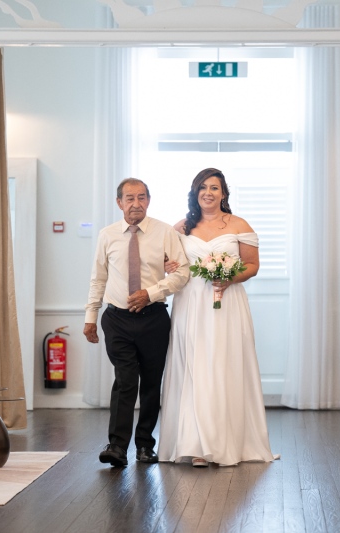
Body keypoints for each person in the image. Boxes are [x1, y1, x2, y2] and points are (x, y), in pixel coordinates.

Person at [158, 168, 274, 467]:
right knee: (193, 365)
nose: (208, 193)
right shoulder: (181, 227)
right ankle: (194, 442)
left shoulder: (239, 224)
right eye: (202, 188)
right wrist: (169, 264)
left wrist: (230, 278)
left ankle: (226, 442)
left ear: (224, 193)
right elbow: (164, 262)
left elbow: (252, 265)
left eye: (214, 188)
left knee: (223, 364)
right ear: (195, 193)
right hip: (191, 302)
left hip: (227, 304)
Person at [84, 178, 190, 467]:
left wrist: (151, 293)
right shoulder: (107, 235)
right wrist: (90, 317)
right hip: (116, 318)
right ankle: (117, 446)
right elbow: (98, 278)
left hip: (154, 318)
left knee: (152, 383)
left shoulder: (165, 233)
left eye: (141, 197)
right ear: (119, 203)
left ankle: (145, 446)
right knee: (126, 379)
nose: (136, 204)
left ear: (149, 200)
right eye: (129, 198)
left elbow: (182, 274)